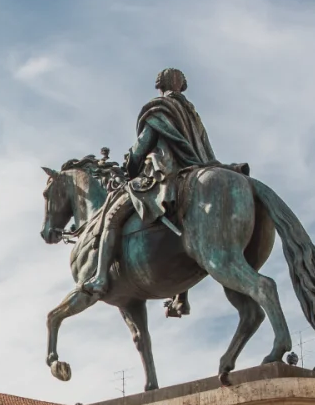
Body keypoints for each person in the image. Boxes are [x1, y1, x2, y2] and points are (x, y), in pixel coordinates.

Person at [82, 68, 222, 310]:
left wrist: (130, 166)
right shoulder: (192, 113)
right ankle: (181, 295)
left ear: (160, 85)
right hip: (195, 170)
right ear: (182, 85)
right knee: (184, 224)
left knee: (111, 218)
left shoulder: (159, 108)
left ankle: (100, 277)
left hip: (163, 173)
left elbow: (143, 144)